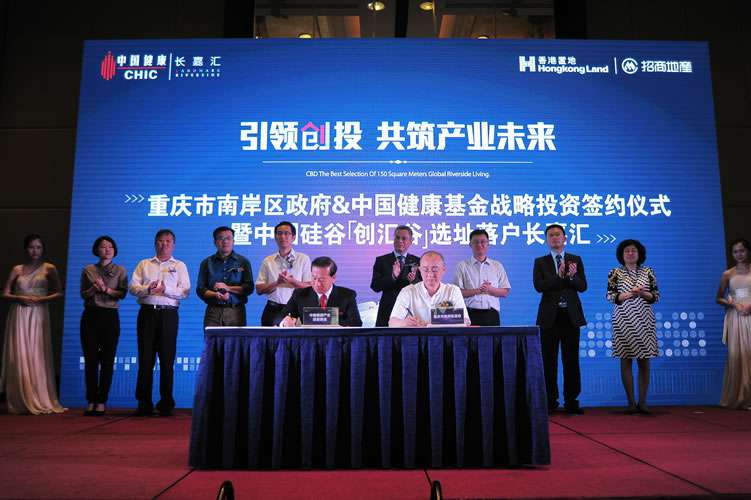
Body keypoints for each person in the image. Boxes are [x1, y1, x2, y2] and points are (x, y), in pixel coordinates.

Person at [0, 234, 65, 414]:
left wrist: (41, 299)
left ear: (43, 249)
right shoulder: (17, 269)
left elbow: (59, 292)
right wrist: (19, 297)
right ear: (25, 249)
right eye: (31, 247)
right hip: (19, 313)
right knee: (19, 354)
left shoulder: (49, 268)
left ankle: (38, 397)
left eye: (38, 247)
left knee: (37, 354)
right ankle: (20, 399)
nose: (34, 251)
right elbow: (5, 293)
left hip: (39, 313)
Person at [128, 229, 190, 416]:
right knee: (145, 359)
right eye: (161, 241)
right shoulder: (144, 264)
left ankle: (166, 403)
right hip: (147, 314)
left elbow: (185, 291)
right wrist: (148, 289)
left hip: (169, 315)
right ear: (155, 243)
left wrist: (165, 289)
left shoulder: (179, 265)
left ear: (173, 245)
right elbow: (133, 287)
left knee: (167, 360)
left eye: (168, 241)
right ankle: (144, 402)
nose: (164, 244)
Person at [533, 224, 587, 415]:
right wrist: (558, 276)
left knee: (571, 360)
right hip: (549, 318)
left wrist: (571, 277)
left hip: (570, 317)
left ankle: (572, 401)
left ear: (565, 238)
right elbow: (539, 286)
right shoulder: (540, 262)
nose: (555, 238)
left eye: (558, 235)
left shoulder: (575, 259)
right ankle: (550, 401)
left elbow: (583, 286)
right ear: (547, 240)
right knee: (548, 360)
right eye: (551, 235)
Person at [606, 239, 659, 414]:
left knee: (644, 361)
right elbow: (610, 296)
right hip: (623, 320)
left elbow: (656, 296)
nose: (630, 253)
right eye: (626, 251)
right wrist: (630, 294)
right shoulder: (615, 272)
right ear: (621, 255)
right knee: (625, 359)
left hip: (644, 319)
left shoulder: (648, 271)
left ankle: (643, 402)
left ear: (639, 253)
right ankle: (631, 402)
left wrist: (643, 293)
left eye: (633, 251)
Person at [80, 236, 128, 416]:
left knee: (107, 360)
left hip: (110, 316)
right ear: (96, 250)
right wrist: (94, 289)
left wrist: (106, 289)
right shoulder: (88, 270)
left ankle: (101, 401)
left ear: (114, 250)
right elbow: (83, 294)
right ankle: (91, 399)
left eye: (110, 247)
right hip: (91, 315)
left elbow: (122, 294)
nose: (107, 250)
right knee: (91, 360)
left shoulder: (120, 270)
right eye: (103, 247)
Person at [389, 251, 470, 327]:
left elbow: (466, 321)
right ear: (420, 270)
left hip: (445, 336)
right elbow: (392, 322)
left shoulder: (453, 291)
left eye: (435, 269)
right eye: (425, 270)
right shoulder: (408, 291)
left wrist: (432, 324)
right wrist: (405, 323)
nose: (430, 274)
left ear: (443, 270)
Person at [716, 238, 751, 410]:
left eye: (742, 250)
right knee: (738, 356)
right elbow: (719, 298)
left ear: (748, 251)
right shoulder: (727, 274)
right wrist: (733, 304)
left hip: (750, 313)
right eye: (735, 252)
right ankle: (740, 398)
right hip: (736, 317)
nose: (739, 254)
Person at [256, 221, 312, 326]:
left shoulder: (303, 259)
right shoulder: (268, 261)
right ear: (275, 237)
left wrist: (293, 282)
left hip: (296, 311)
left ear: (293, 237)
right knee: (269, 337)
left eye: (286, 233)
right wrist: (277, 283)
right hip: (273, 310)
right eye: (279, 233)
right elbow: (259, 289)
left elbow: (309, 287)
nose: (282, 236)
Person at [280, 256, 362, 327]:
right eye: (314, 278)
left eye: (322, 279)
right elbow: (281, 316)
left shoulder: (347, 295)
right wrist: (285, 321)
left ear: (333, 278)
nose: (317, 284)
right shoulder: (300, 294)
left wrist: (326, 320)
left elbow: (356, 323)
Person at [196, 226, 253, 327]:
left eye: (228, 238)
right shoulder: (207, 263)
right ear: (215, 242)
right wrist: (215, 294)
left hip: (236, 312)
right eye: (221, 238)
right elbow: (200, 289)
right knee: (212, 338)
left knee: (236, 338)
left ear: (233, 241)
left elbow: (249, 288)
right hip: (213, 312)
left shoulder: (243, 262)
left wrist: (228, 288)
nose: (225, 241)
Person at [454, 228, 510, 326]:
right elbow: (457, 293)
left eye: (483, 242)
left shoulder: (497, 266)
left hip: (492, 315)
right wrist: (479, 290)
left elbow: (505, 292)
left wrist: (490, 289)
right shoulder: (462, 266)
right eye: (476, 242)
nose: (480, 245)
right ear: (470, 245)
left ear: (488, 244)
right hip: (470, 314)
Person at [370, 225, 421, 327]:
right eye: (397, 237)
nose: (400, 241)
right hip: (387, 311)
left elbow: (425, 287)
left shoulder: (418, 261)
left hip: (411, 311)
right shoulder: (382, 260)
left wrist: (414, 281)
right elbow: (375, 286)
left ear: (411, 241)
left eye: (404, 238)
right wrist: (392, 276)